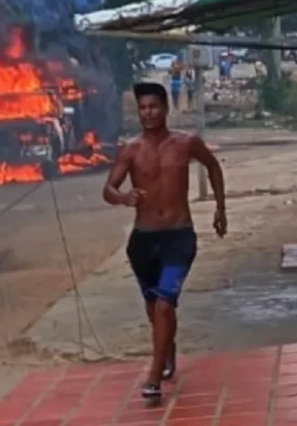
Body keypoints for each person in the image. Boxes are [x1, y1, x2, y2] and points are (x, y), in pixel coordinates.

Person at [103, 81, 226, 401]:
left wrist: (220, 208)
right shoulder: (129, 149)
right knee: (153, 308)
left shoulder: (186, 144)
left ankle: (154, 377)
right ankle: (167, 351)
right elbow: (108, 189)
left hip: (178, 236)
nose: (148, 113)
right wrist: (123, 197)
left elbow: (213, 166)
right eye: (142, 108)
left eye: (153, 106)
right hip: (143, 241)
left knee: (164, 303)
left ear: (165, 108)